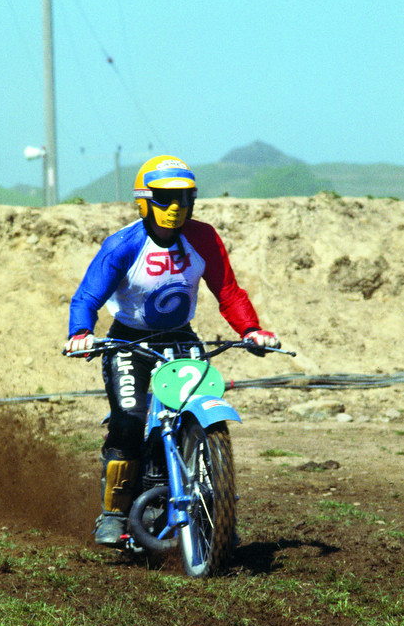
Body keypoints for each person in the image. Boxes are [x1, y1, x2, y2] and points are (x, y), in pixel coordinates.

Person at [65, 154, 280, 546]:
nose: (176, 208)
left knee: (199, 411)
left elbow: (228, 291)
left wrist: (251, 329)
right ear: (144, 201)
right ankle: (113, 513)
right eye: (165, 198)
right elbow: (86, 297)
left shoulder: (204, 239)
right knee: (130, 418)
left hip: (181, 338)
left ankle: (212, 507)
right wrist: (80, 332)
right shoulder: (123, 246)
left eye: (185, 199)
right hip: (127, 341)